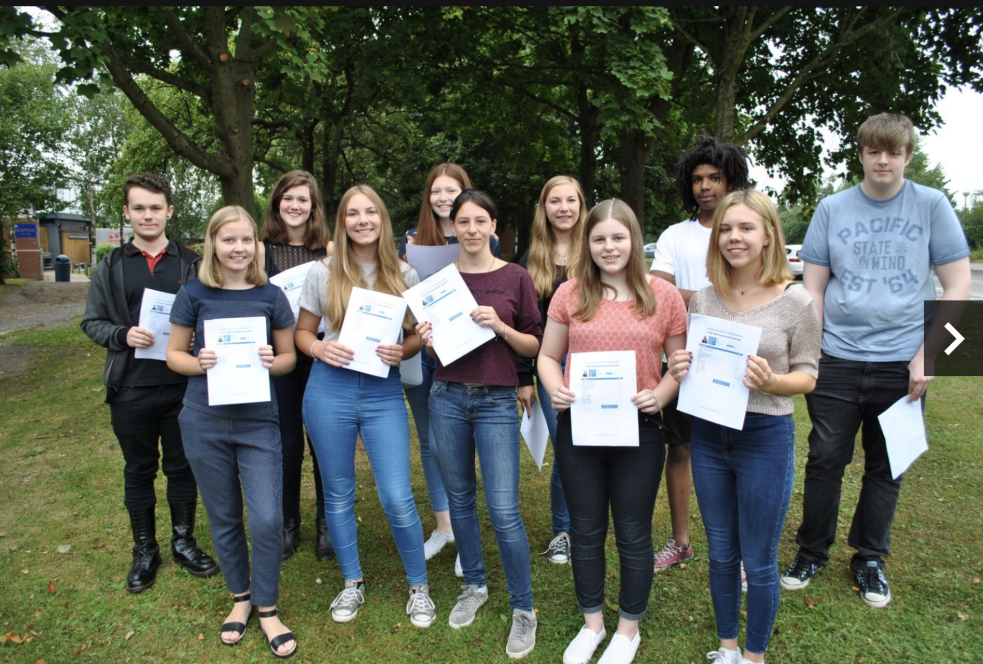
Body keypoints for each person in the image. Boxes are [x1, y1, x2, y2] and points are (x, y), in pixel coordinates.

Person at [782, 112, 971, 608]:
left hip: (903, 363)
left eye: (893, 152)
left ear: (907, 156)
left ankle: (869, 559)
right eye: (873, 151)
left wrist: (930, 357)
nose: (882, 160)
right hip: (837, 359)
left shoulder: (932, 205)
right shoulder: (832, 208)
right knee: (825, 460)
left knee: (887, 466)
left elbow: (958, 287)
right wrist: (812, 348)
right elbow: (814, 287)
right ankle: (811, 551)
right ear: (862, 155)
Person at [668, 189, 820, 664]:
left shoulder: (796, 301)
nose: (735, 237)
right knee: (720, 553)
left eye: (746, 228)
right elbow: (696, 361)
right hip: (710, 435)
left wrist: (773, 381)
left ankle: (753, 656)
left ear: (769, 234)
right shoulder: (704, 298)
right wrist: (680, 365)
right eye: (727, 229)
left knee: (757, 558)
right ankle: (727, 647)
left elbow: (808, 374)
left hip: (764, 436)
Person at [539, 199, 687, 664]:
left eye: (618, 237)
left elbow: (678, 364)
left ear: (634, 240)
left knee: (633, 530)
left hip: (640, 430)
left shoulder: (664, 296)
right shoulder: (570, 294)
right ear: (587, 244)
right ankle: (593, 625)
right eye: (599, 239)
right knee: (585, 530)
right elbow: (548, 356)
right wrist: (555, 387)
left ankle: (627, 631)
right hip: (580, 427)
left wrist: (660, 395)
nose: (609, 247)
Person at [295, 185, 437, 628]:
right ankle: (352, 581)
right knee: (338, 493)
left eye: (370, 212)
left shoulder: (405, 273)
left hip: (382, 393)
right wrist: (319, 349)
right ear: (342, 221)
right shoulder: (321, 273)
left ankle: (419, 587)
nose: (362, 220)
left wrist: (404, 349)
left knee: (397, 495)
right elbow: (303, 332)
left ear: (382, 218)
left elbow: (414, 336)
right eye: (353, 213)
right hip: (328, 390)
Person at [166, 205, 298, 658]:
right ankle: (241, 597)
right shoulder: (193, 292)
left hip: (258, 420)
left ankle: (268, 606)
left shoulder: (271, 295)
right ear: (212, 244)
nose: (237, 248)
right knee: (223, 515)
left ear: (256, 245)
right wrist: (197, 362)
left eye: (245, 239)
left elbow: (288, 359)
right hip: (203, 419)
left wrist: (271, 362)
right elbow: (174, 356)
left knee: (266, 518)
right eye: (228, 239)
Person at [417, 189, 542, 659]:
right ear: (452, 228)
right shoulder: (439, 283)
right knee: (461, 501)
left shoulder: (515, 277)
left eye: (479, 221)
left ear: (493, 225)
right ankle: (474, 584)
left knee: (504, 509)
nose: (471, 230)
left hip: (495, 401)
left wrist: (502, 328)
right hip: (447, 397)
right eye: (463, 222)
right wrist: (428, 341)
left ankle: (523, 607)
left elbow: (534, 344)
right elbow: (436, 353)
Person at [80, 172, 219, 594]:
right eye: (139, 208)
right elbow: (91, 321)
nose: (147, 215)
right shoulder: (111, 266)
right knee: (138, 469)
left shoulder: (193, 264)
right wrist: (122, 335)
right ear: (126, 212)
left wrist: (198, 338)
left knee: (182, 465)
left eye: (155, 207)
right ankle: (144, 549)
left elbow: (213, 314)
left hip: (183, 387)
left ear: (169, 211)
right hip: (131, 388)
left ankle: (183, 541)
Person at [649, 135, 751, 574]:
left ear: (732, 180)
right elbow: (659, 292)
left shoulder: (746, 230)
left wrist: (689, 298)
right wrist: (720, 299)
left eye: (715, 177)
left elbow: (761, 290)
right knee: (681, 449)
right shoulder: (675, 235)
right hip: (684, 361)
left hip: (740, 364)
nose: (705, 186)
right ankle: (681, 542)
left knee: (739, 455)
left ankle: (741, 553)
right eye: (697, 179)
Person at [398, 163, 500, 575]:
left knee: (459, 444)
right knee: (429, 441)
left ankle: (466, 529)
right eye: (436, 191)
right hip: (422, 349)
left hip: (464, 351)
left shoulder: (479, 233)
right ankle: (445, 527)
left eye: (451, 191)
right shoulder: (411, 239)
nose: (442, 198)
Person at [258, 170, 334, 561]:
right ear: (276, 203)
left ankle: (327, 526)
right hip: (281, 357)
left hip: (322, 354)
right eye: (288, 198)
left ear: (313, 206)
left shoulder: (330, 250)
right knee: (287, 445)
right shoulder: (261, 251)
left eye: (303, 199)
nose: (295, 205)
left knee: (323, 443)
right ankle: (290, 524)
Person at [516, 175, 588, 565]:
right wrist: (523, 377)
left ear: (581, 205)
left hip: (594, 362)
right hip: (551, 363)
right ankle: (564, 529)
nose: (563, 208)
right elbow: (523, 322)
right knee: (566, 446)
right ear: (544, 208)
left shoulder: (595, 249)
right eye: (554, 201)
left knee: (592, 443)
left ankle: (588, 522)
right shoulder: (531, 258)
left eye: (570, 200)